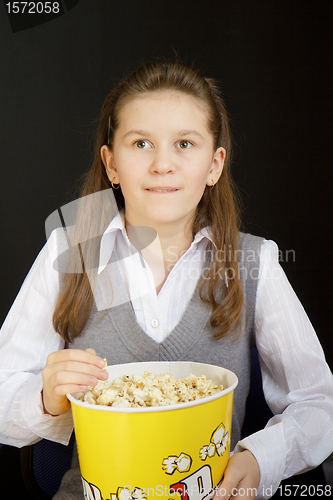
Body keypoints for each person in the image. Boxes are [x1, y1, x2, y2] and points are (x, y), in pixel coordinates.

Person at [0, 60, 332, 500]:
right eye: (141, 143)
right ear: (111, 163)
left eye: (184, 144)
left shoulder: (256, 262)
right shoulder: (67, 253)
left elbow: (318, 403)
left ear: (213, 166)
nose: (162, 164)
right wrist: (45, 399)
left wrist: (259, 459)